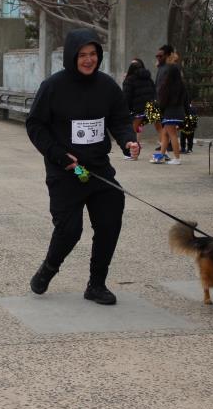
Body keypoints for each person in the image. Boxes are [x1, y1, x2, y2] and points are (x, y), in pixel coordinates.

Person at [25, 28, 140, 306]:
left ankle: (96, 285)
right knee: (70, 230)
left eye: (93, 54)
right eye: (83, 55)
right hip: (68, 170)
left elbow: (120, 119)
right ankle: (48, 268)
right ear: (71, 56)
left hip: (97, 170)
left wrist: (128, 142)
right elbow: (35, 125)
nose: (89, 60)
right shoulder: (53, 86)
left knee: (110, 220)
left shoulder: (107, 86)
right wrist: (58, 155)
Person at [120, 58, 156, 160]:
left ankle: (132, 154)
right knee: (161, 129)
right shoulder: (148, 79)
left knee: (132, 131)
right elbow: (154, 91)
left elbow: (126, 96)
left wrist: (126, 110)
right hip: (151, 108)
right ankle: (164, 152)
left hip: (137, 110)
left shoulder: (129, 80)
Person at [153, 61, 187, 164]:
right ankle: (162, 155)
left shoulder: (167, 85)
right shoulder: (181, 85)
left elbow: (162, 100)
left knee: (172, 135)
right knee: (165, 134)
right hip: (179, 111)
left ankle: (177, 158)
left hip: (169, 112)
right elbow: (186, 99)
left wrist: (160, 108)